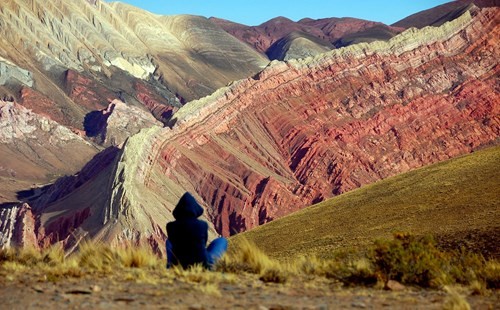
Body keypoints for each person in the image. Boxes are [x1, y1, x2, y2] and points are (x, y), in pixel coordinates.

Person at [166, 192, 227, 269]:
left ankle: (171, 265)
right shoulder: (202, 225)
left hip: (183, 264)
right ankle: (211, 267)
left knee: (169, 241)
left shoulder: (170, 226)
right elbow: (203, 243)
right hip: (204, 264)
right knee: (222, 241)